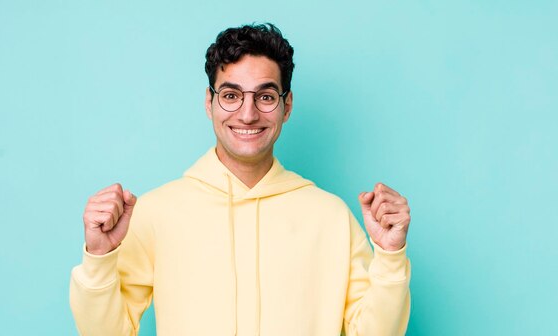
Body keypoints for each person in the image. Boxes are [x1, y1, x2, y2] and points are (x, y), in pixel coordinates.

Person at [70, 23, 411, 336]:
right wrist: (99, 257)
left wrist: (391, 256)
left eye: (265, 97)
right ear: (210, 102)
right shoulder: (157, 212)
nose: (248, 114)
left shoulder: (331, 217)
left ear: (286, 105)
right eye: (231, 95)